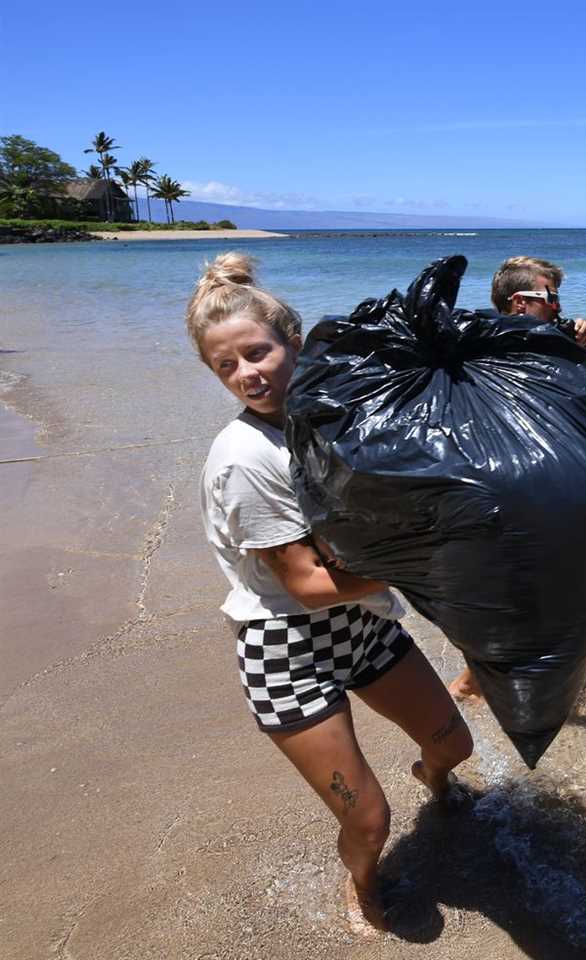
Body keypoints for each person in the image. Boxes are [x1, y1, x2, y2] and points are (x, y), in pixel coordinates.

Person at [189, 253, 473, 935]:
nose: (247, 374)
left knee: (452, 746)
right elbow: (309, 585)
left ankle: (434, 783)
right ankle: (362, 885)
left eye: (257, 353)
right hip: (287, 647)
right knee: (369, 817)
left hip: (364, 624)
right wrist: (431, 561)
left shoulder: (327, 416)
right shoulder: (245, 458)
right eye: (227, 367)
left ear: (295, 341)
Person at [448, 255, 586, 701]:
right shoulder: (477, 349)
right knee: (515, 596)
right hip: (505, 497)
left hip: (546, 494)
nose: (558, 306)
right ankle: (473, 686)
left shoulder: (553, 345)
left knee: (546, 595)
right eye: (550, 297)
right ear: (519, 303)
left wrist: (585, 349)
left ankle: (539, 686)